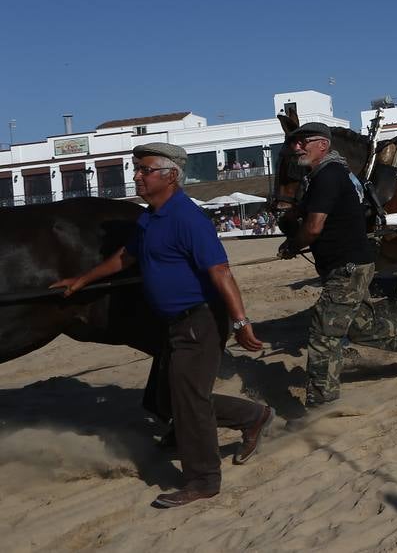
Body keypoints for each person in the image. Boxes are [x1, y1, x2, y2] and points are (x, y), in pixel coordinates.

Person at [50, 143, 271, 509]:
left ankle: (203, 480)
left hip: (199, 321)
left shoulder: (188, 218)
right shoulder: (150, 217)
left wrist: (241, 321)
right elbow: (126, 256)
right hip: (172, 324)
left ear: (171, 175)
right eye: (136, 169)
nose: (136, 175)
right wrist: (81, 280)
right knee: (172, 399)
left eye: (144, 169)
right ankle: (254, 415)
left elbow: (220, 271)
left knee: (188, 402)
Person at [279, 122, 397, 408]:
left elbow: (313, 228)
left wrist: (292, 244)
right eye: (294, 143)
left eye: (303, 141)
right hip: (352, 264)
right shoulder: (324, 176)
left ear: (323, 145)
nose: (296, 147)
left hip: (347, 267)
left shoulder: (327, 177)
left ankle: (321, 406)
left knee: (323, 332)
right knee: (360, 327)